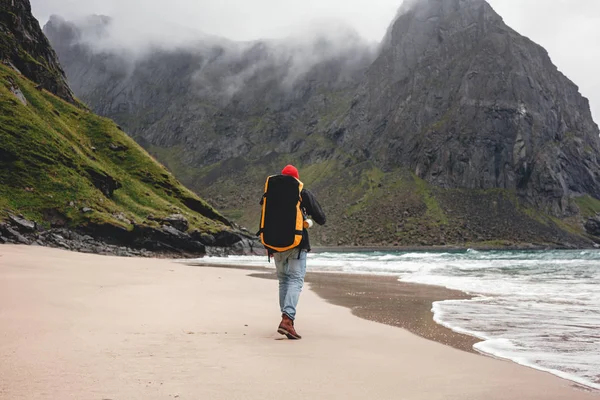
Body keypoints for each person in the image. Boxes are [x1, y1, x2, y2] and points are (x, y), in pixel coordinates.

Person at [273, 164, 326, 340]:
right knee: (295, 280)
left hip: (276, 245)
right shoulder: (301, 192)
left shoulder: (271, 193)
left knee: (284, 281)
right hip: (296, 244)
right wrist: (308, 220)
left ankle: (286, 319)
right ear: (297, 178)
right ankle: (287, 320)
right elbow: (321, 218)